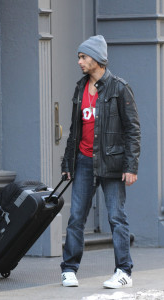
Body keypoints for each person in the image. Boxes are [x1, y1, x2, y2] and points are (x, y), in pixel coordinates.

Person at [60, 35, 141, 289]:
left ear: (96, 58)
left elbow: (133, 130)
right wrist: (67, 164)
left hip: (112, 163)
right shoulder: (80, 88)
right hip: (83, 161)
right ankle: (69, 269)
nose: (79, 61)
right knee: (76, 217)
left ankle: (123, 271)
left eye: (83, 57)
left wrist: (131, 166)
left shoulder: (119, 88)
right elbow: (75, 130)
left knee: (117, 217)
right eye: (79, 57)